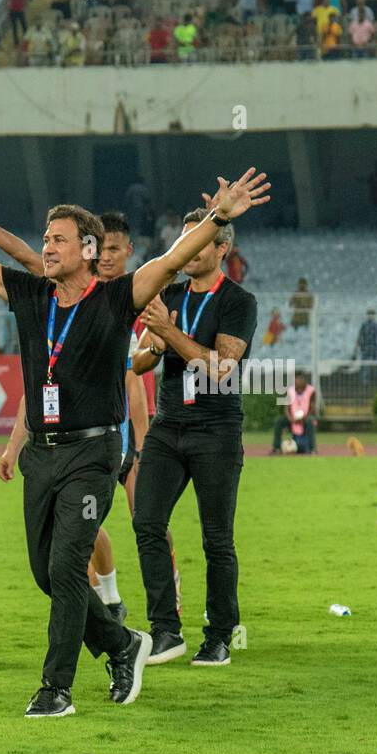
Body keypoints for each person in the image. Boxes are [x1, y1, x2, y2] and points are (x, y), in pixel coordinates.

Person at [0, 162, 269, 717]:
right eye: (45, 239)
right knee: (45, 572)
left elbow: (173, 260)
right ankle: (122, 643)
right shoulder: (33, 296)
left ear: (87, 249)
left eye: (57, 240)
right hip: (43, 454)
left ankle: (55, 688)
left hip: (94, 452)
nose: (47, 247)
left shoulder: (115, 298)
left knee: (66, 567)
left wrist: (216, 218)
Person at [0, 185, 175, 622]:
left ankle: (161, 614)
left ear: (125, 253)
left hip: (110, 429)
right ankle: (110, 599)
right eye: (102, 249)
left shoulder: (128, 296)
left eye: (113, 249)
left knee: (145, 522)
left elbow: (134, 374)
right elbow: (21, 258)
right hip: (61, 431)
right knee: (81, 538)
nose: (106, 257)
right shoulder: (52, 295)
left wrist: (141, 442)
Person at [131, 205, 260, 666]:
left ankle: (219, 636)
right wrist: (154, 343)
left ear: (222, 248)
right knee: (146, 521)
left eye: (198, 239)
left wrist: (169, 332)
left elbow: (222, 370)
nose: (185, 249)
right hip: (169, 426)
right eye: (182, 240)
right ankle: (165, 629)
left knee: (216, 538)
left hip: (216, 429)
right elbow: (140, 362)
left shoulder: (238, 302)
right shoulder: (168, 293)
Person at [272, 369, 317, 453]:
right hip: (292, 419)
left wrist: (304, 418)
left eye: (302, 379)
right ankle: (276, 448)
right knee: (279, 421)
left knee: (310, 421)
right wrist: (290, 419)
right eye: (298, 379)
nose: (300, 381)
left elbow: (312, 408)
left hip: (305, 418)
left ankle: (312, 449)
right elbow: (286, 407)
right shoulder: (290, 390)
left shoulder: (311, 391)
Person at [352, 309, 377, 386]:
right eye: (369, 314)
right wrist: (357, 346)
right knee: (365, 365)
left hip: (375, 347)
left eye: (372, 314)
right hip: (366, 347)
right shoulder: (364, 325)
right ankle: (365, 382)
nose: (370, 315)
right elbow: (360, 336)